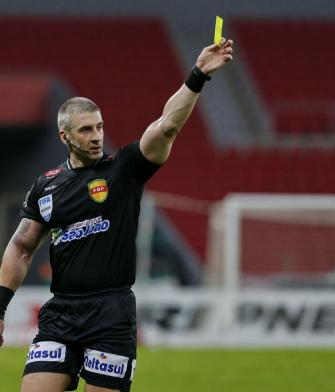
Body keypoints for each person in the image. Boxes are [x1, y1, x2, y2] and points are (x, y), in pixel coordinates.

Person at [0, 38, 234, 392]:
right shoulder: (46, 186)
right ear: (64, 136)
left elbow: (167, 125)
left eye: (99, 127)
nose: (96, 136)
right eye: (85, 130)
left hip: (111, 314)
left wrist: (198, 74)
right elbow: (21, 247)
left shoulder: (123, 169)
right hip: (60, 313)